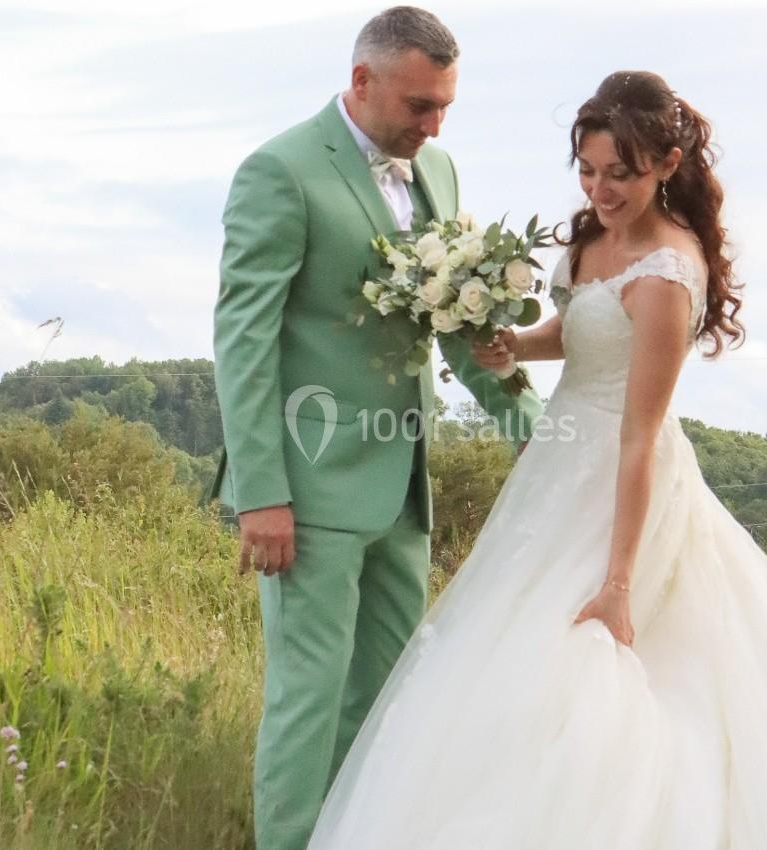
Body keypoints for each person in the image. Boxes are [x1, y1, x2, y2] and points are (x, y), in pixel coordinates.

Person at [305, 71, 767, 849]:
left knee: (596, 671)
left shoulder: (667, 276)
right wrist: (514, 342)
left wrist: (619, 582)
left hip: (625, 485)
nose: (601, 189)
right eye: (588, 170)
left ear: (666, 164)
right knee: (497, 663)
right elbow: (582, 329)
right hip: (556, 475)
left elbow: (639, 434)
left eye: (620, 173)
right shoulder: (590, 238)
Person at [210, 7, 544, 850]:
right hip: (308, 491)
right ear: (362, 82)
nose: (431, 126)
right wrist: (262, 495)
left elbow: (457, 323)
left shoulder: (440, 171)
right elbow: (243, 343)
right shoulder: (279, 172)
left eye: (443, 109)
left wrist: (527, 422)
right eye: (417, 106)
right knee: (308, 698)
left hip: (403, 488)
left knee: (394, 698)